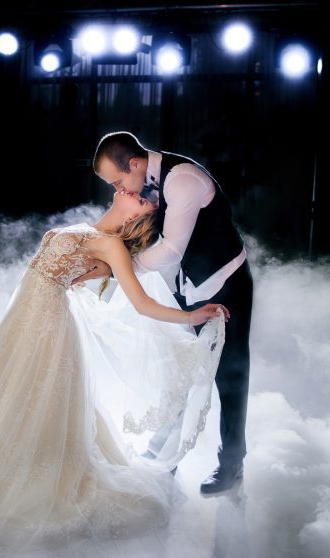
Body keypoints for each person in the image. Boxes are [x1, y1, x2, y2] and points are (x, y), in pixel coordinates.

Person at [0, 189, 228, 552]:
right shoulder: (89, 231)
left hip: (47, 329)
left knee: (33, 400)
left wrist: (191, 316)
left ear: (136, 217)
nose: (136, 192)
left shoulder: (111, 248)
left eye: (145, 200)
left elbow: (142, 304)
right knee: (3, 393)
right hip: (20, 323)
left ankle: (31, 478)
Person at [82, 131, 253, 496]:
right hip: (186, 287)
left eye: (117, 180)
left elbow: (173, 249)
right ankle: (163, 457)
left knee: (230, 376)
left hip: (225, 283)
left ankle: (232, 464)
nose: (118, 189)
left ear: (134, 163)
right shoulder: (144, 183)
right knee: (181, 370)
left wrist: (119, 267)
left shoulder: (183, 180)